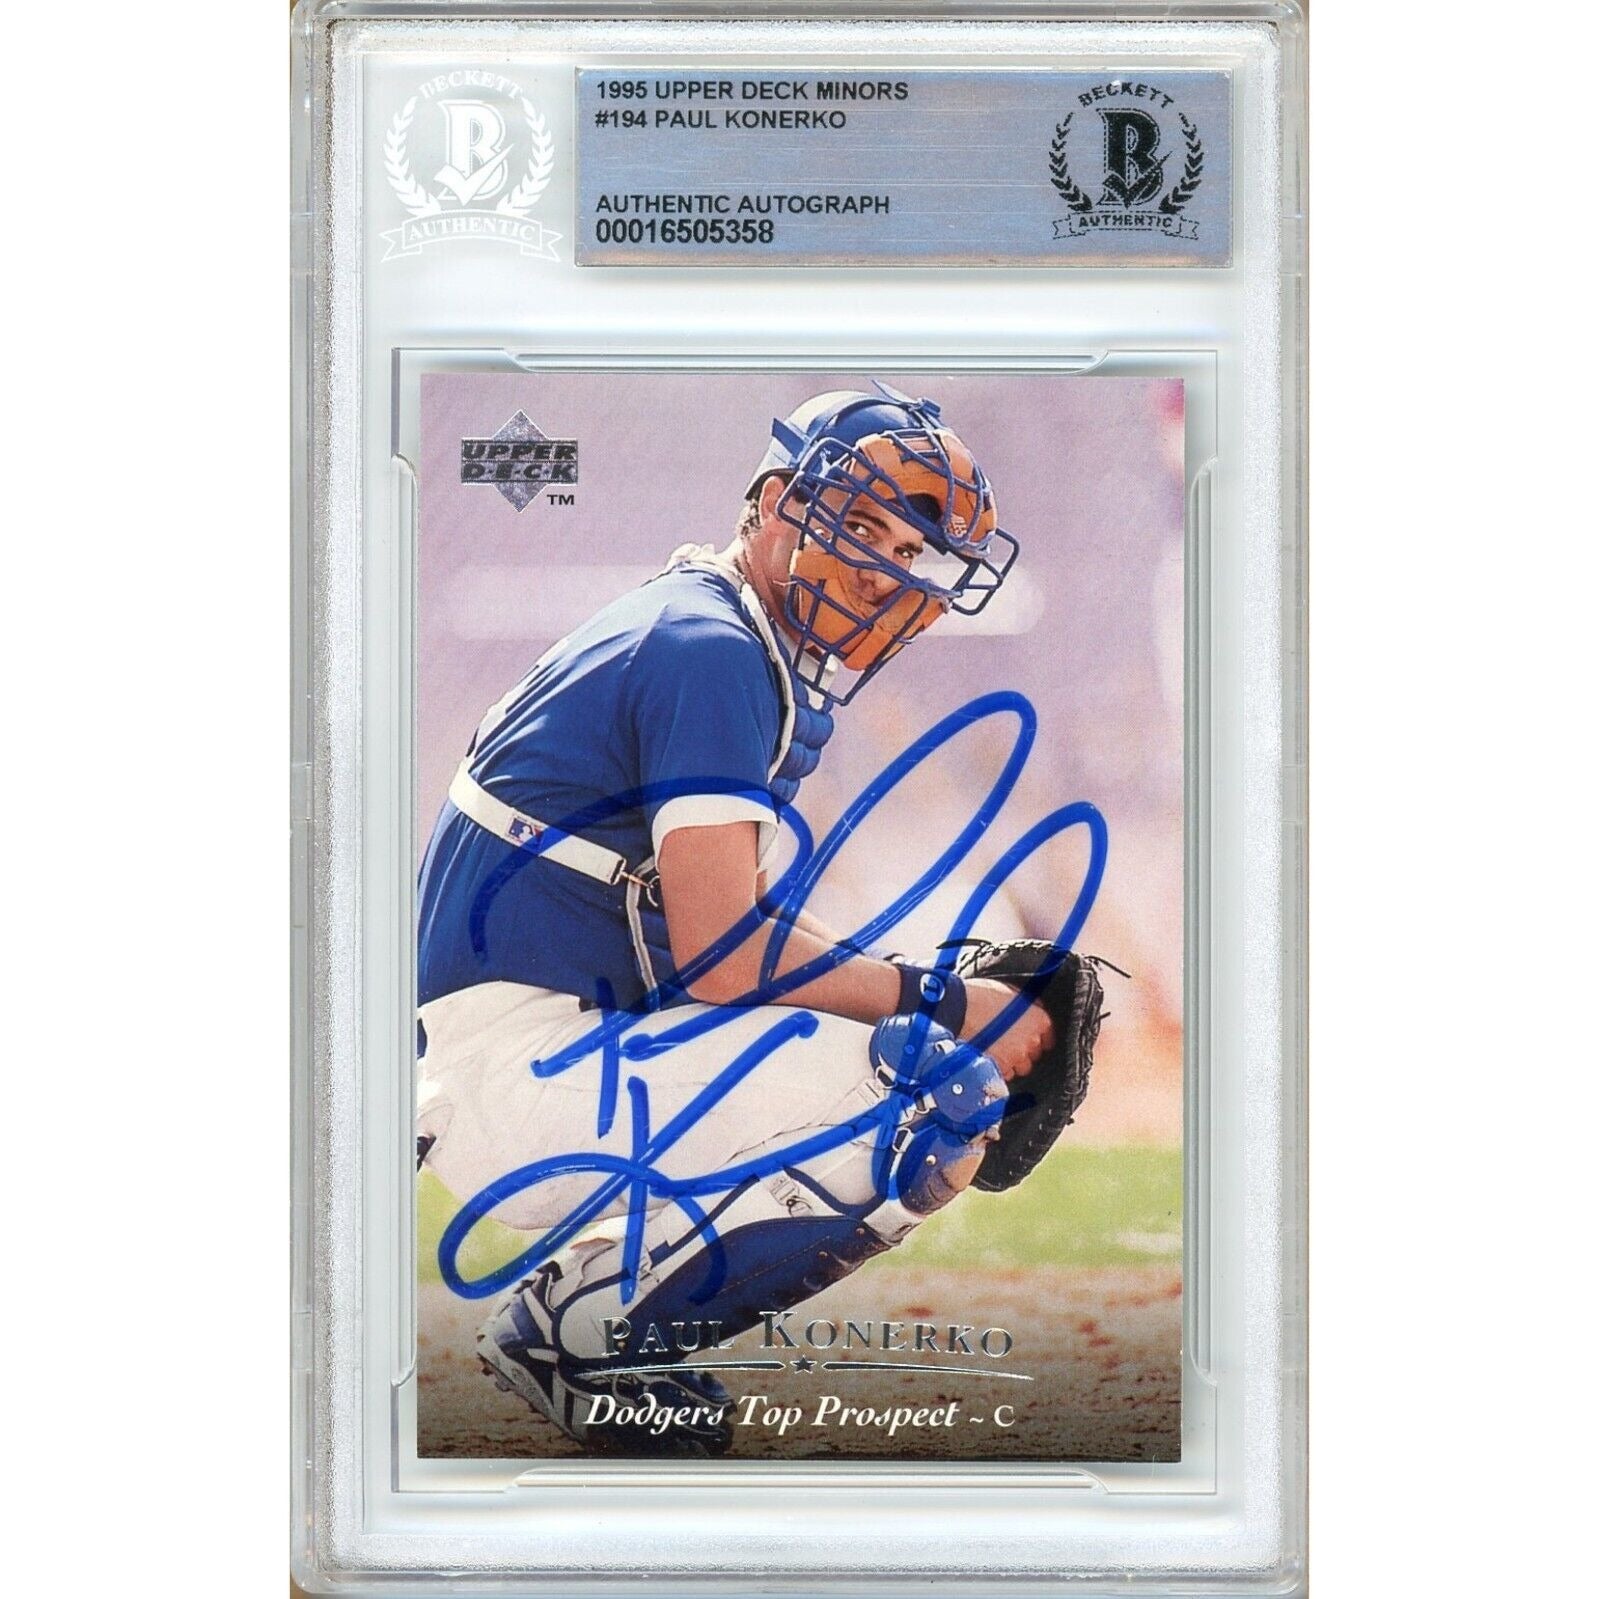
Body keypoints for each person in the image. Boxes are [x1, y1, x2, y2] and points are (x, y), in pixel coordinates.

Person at [416, 383, 1055, 1455]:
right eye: (861, 526)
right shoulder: (710, 650)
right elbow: (721, 957)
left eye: (910, 549)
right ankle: (579, 1336)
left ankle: (594, 1310)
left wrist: (913, 995)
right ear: (773, 503)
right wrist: (943, 999)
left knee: (897, 1056)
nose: (885, 569)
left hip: (524, 1058)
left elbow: (707, 948)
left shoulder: (712, 627)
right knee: (929, 1092)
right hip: (512, 1076)